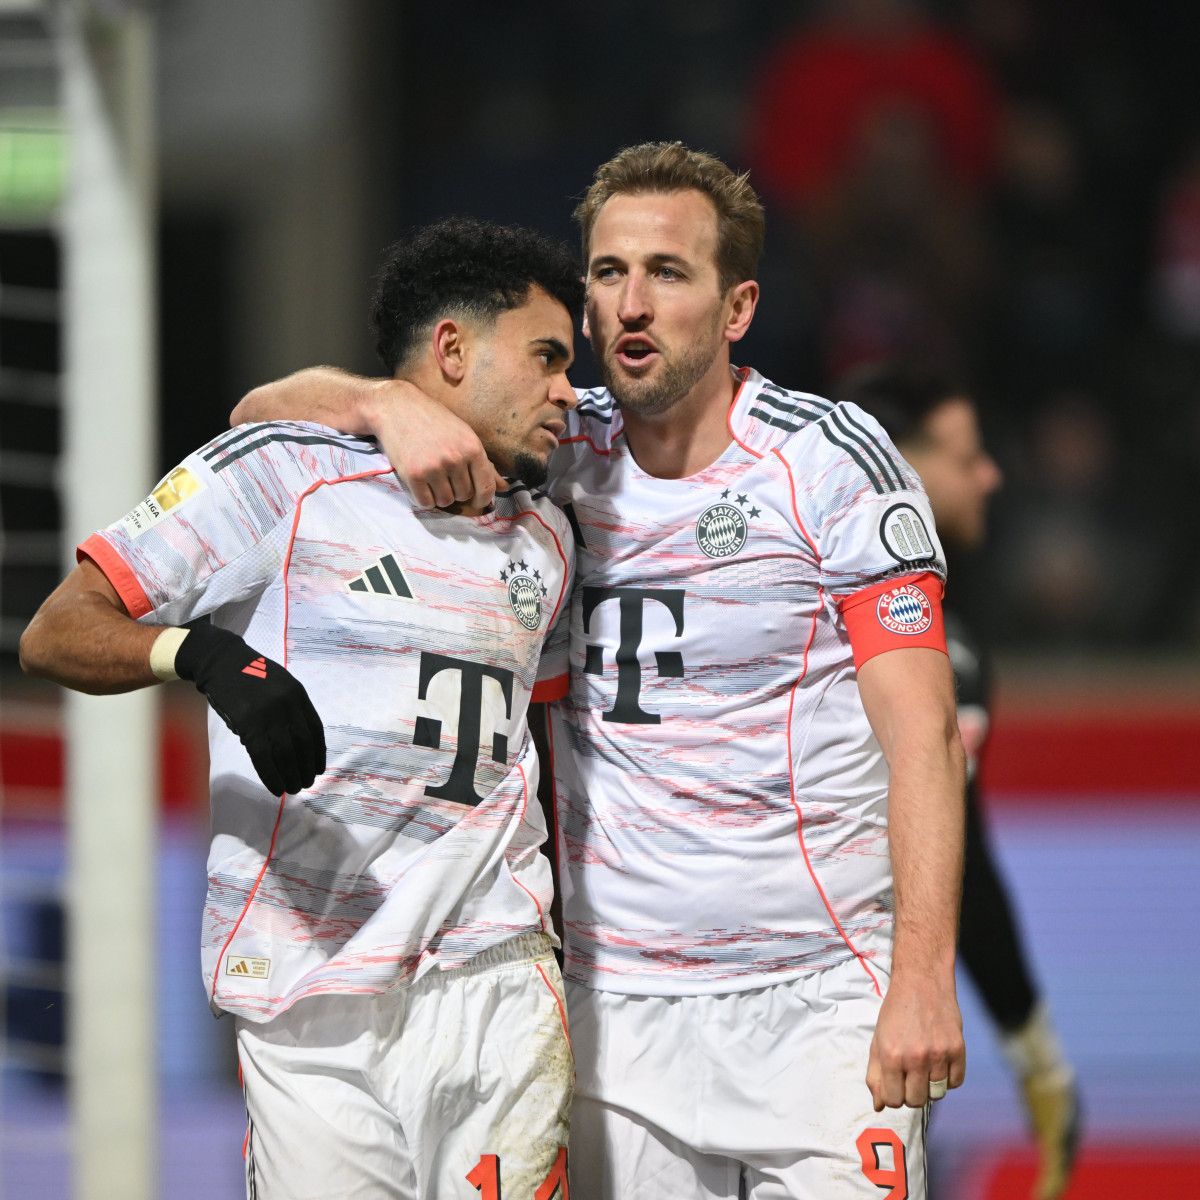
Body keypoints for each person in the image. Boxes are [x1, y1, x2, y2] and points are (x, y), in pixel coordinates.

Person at [233, 142, 969, 1199]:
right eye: (609, 272)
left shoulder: (827, 463)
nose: (631, 303)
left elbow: (924, 737)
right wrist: (384, 402)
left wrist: (924, 980)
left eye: (668, 273)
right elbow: (261, 413)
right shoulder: (551, 448)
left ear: (738, 308)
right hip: (615, 1016)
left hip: (820, 1004)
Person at [20, 217, 584, 1200]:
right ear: (453, 350)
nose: (569, 391)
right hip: (299, 987)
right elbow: (55, 631)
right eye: (547, 357)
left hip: (489, 974)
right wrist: (200, 653)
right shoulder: (280, 473)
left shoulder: (550, 532)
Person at [838, 363, 1081, 1200]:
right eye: (967, 455)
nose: (990, 476)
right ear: (902, 465)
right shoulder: (938, 651)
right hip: (847, 1022)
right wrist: (1034, 1048)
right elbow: (955, 858)